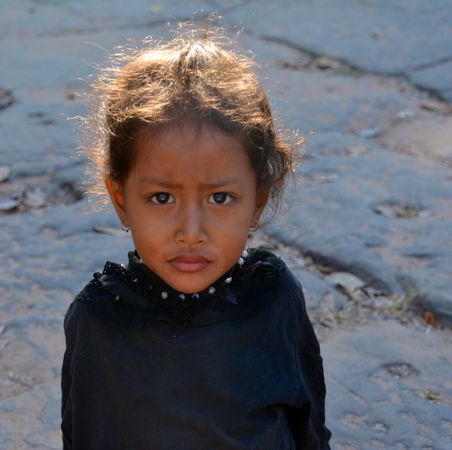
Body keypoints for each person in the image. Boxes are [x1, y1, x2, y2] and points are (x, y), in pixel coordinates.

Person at [61, 25, 331, 449]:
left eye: (220, 197)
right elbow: (84, 435)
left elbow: (308, 422)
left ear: (257, 200)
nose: (191, 232)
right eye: (162, 197)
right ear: (120, 199)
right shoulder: (100, 321)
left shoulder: (273, 297)